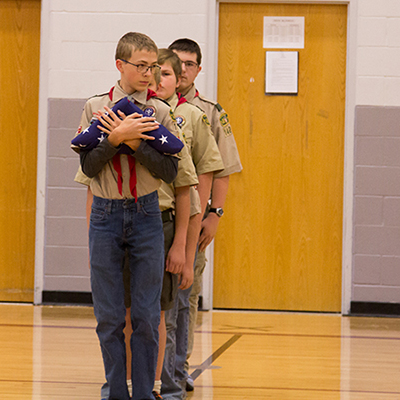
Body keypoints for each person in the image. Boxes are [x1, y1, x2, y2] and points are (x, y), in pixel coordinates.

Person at [78, 51, 199, 400]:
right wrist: (114, 138)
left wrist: (133, 141)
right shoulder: (96, 107)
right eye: (141, 66)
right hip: (106, 213)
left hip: (147, 214)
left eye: (153, 68)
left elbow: (171, 172)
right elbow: (88, 168)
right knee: (110, 317)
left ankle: (146, 393)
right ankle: (116, 392)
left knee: (147, 317)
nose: (149, 74)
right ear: (120, 65)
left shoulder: (160, 112)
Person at [168, 38, 243, 392]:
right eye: (176, 62)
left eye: (189, 64)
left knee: (186, 296)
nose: (182, 70)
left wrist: (215, 214)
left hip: (194, 220)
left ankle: (178, 369)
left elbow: (223, 169)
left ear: (198, 69)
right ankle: (150, 369)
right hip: (156, 219)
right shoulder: (151, 106)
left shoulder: (209, 112)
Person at [155, 48, 224, 400]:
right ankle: (148, 379)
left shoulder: (197, 115)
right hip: (146, 225)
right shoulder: (140, 112)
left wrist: (208, 218)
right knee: (150, 310)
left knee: (181, 303)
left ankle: (174, 378)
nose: (165, 78)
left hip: (183, 223)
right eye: (160, 71)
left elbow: (208, 174)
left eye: (171, 72)